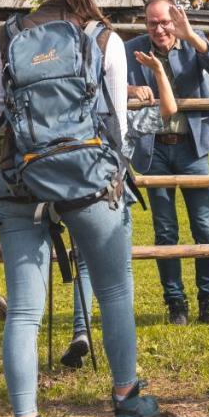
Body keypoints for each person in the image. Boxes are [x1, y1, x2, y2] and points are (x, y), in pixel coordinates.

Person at [0, 0, 159, 417]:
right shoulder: (104, 38)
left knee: (25, 311)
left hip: (21, 183)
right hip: (89, 184)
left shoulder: (10, 35)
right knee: (114, 291)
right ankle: (127, 404)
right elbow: (119, 128)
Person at [60, 51, 178, 369]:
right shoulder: (123, 120)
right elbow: (169, 110)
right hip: (114, 197)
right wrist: (157, 73)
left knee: (84, 267)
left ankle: (81, 332)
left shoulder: (74, 117)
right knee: (121, 273)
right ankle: (125, 357)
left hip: (76, 197)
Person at [126, 0, 209, 325]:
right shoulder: (133, 49)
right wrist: (131, 89)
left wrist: (192, 37)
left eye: (164, 22)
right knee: (165, 229)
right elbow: (107, 84)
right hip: (154, 147)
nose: (159, 29)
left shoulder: (191, 42)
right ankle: (176, 304)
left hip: (192, 147)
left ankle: (208, 302)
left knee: (204, 225)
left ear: (175, 19)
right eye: (152, 23)